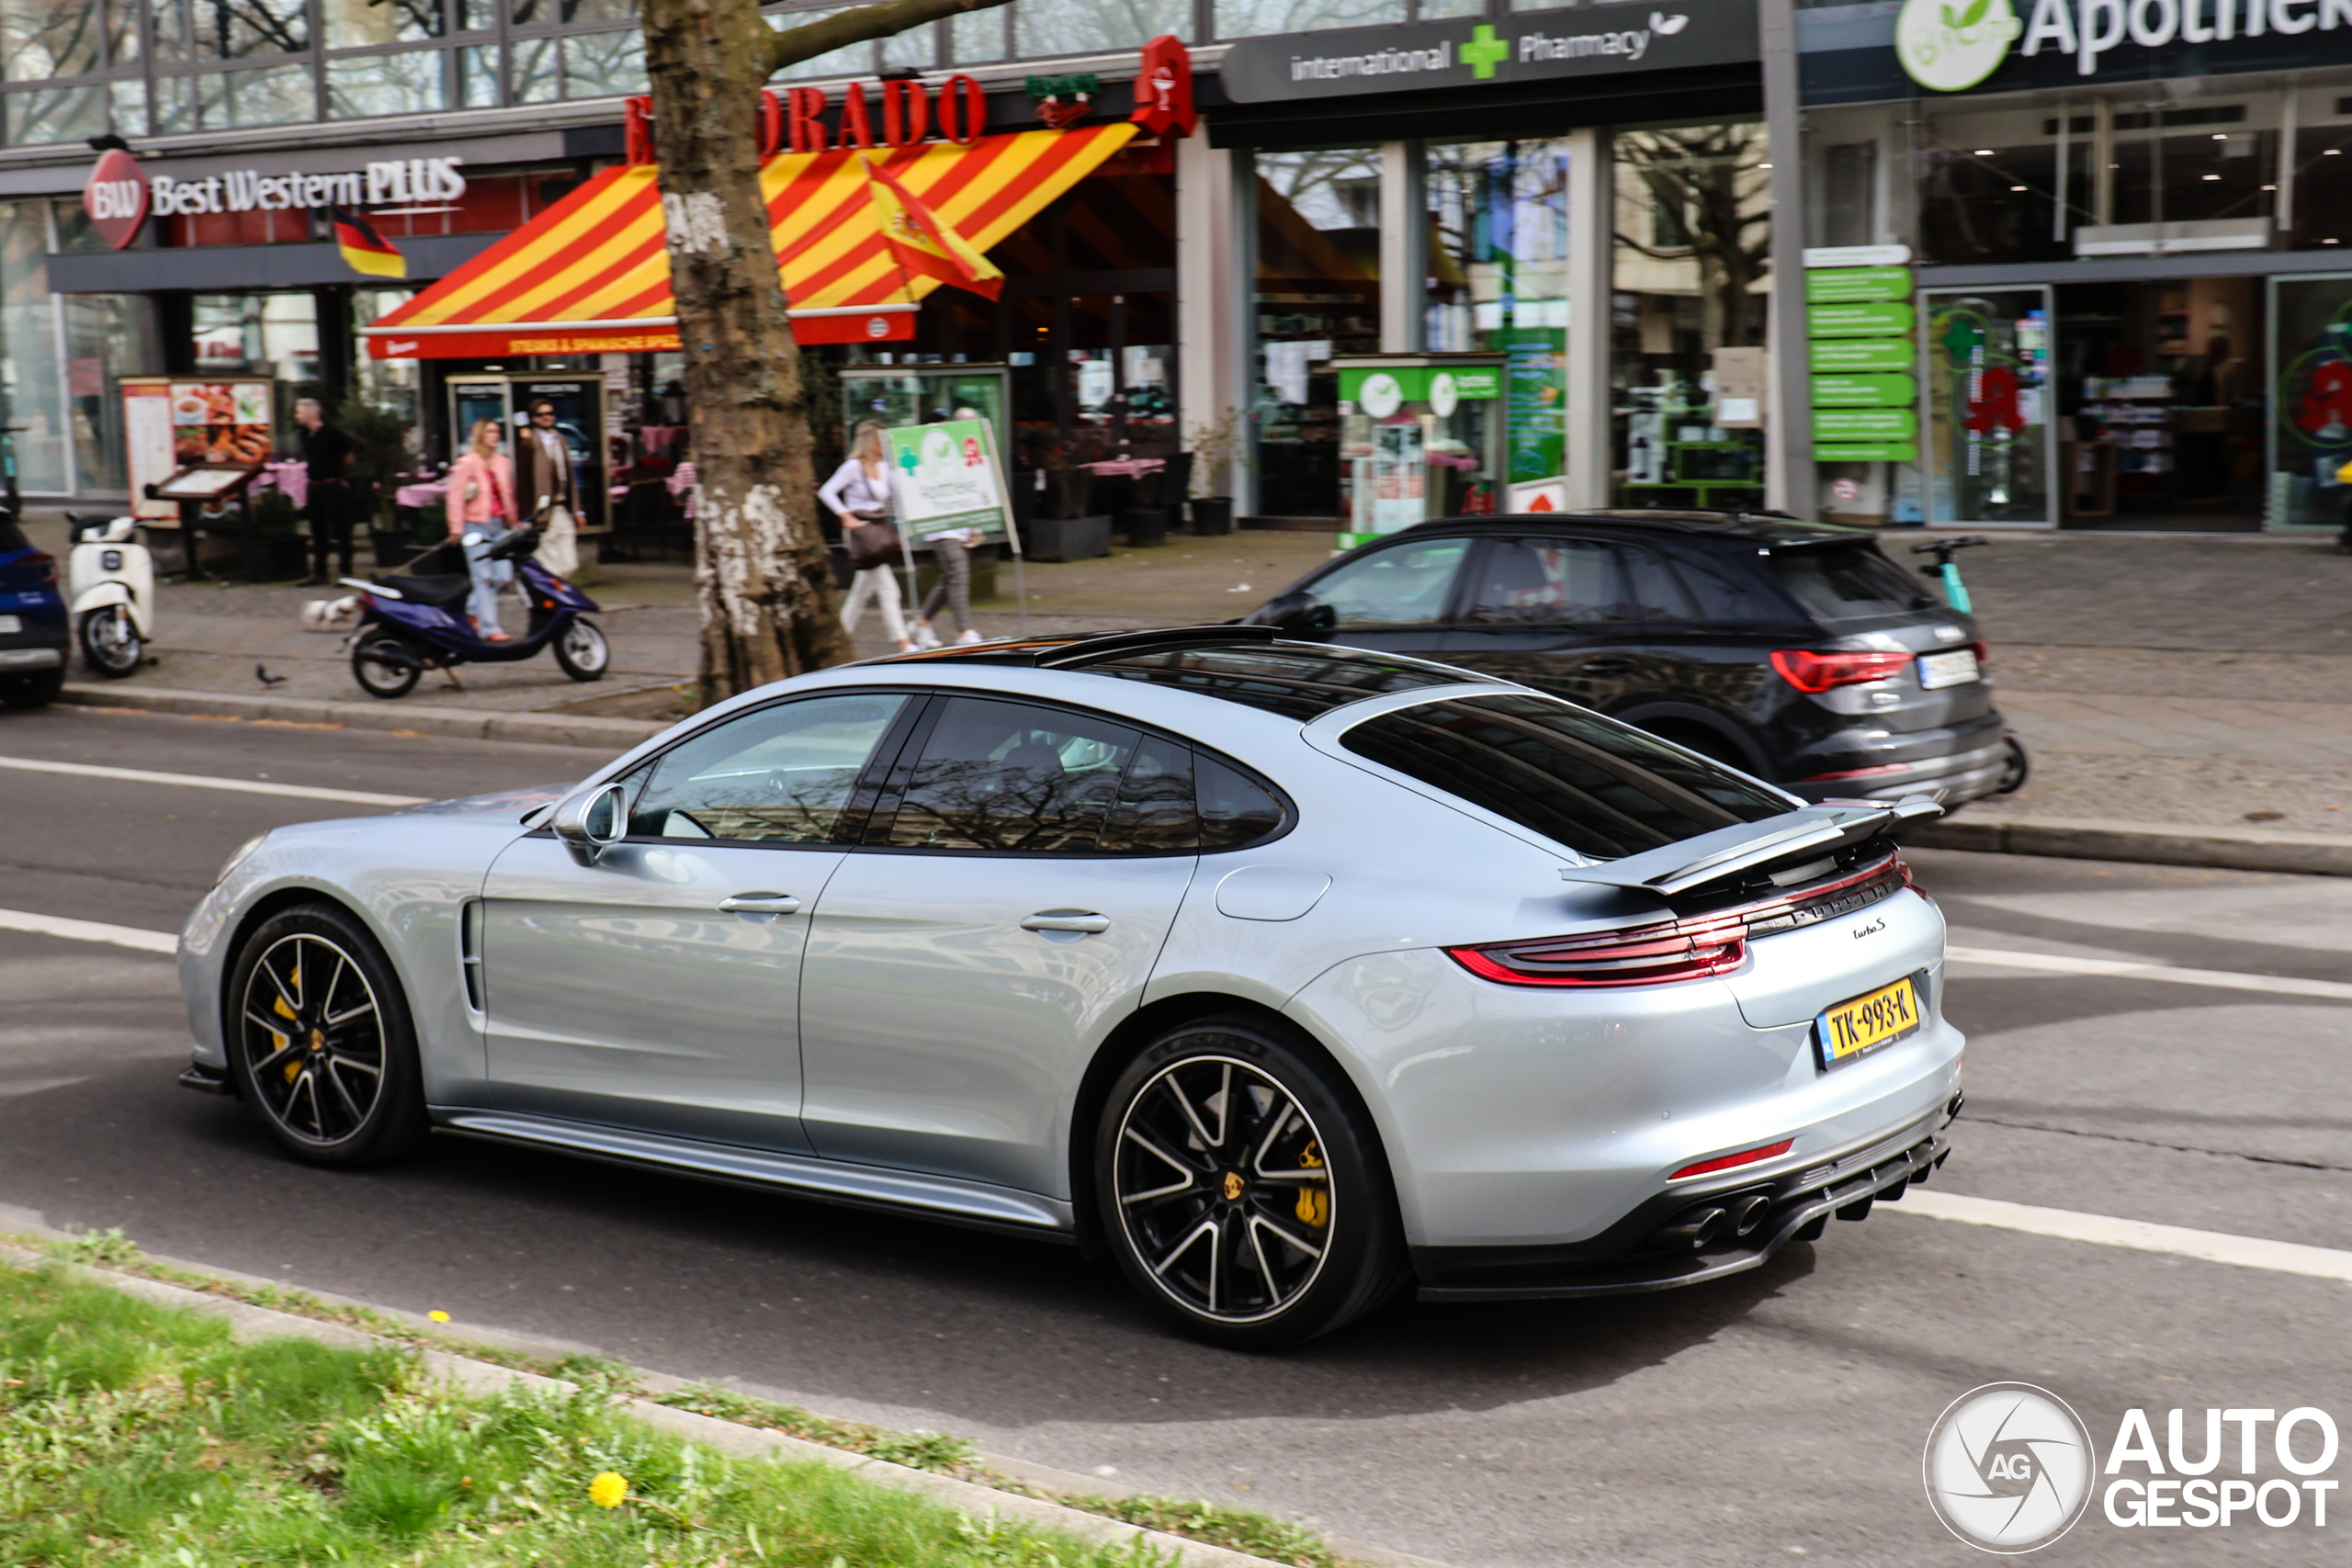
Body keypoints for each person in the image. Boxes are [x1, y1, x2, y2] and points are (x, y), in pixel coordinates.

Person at [820, 421, 910, 653]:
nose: (885, 445)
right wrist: (846, 516)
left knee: (860, 593)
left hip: (877, 534)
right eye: (881, 441)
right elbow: (827, 491)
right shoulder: (853, 467)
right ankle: (903, 642)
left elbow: (898, 490)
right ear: (871, 442)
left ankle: (840, 637)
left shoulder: (884, 468)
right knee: (889, 590)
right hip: (860, 535)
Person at [447, 418, 518, 642]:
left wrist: (515, 522)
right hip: (475, 526)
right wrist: (456, 528)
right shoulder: (467, 462)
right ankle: (489, 628)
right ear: (480, 436)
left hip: (499, 524)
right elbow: (455, 496)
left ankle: (471, 610)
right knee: (483, 578)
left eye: (497, 431)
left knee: (503, 576)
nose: (495, 436)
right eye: (490, 432)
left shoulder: (502, 462)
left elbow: (508, 495)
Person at [512, 399, 581, 579]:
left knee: (570, 563)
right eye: (541, 415)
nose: (546, 418)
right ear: (534, 419)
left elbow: (571, 478)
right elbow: (523, 482)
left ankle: (554, 593)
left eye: (550, 414)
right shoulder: (528, 444)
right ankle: (552, 599)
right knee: (549, 564)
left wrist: (578, 511)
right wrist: (526, 516)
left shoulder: (561, 440)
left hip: (562, 507)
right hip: (542, 511)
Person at [293, 397, 355, 586]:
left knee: (340, 529)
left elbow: (348, 457)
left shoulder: (333, 434)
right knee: (317, 530)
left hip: (332, 485)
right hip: (314, 485)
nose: (297, 416)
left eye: (299, 412)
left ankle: (345, 571)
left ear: (312, 413)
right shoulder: (304, 435)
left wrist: (341, 476)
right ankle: (319, 572)